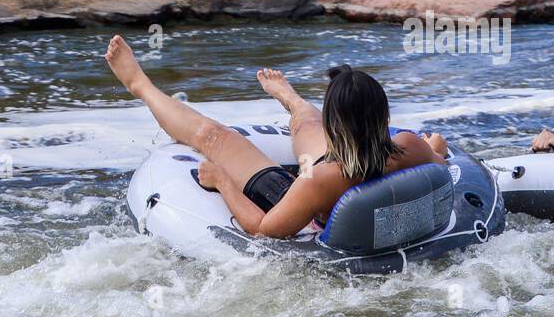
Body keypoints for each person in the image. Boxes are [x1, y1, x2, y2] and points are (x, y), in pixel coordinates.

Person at [104, 35, 449, 238]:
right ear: (383, 117)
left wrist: (222, 180)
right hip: (354, 166)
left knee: (214, 136)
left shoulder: (314, 181)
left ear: (336, 126)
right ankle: (292, 99)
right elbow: (438, 164)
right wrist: (435, 148)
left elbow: (263, 229)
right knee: (308, 128)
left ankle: (141, 86)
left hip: (318, 193)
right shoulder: (410, 146)